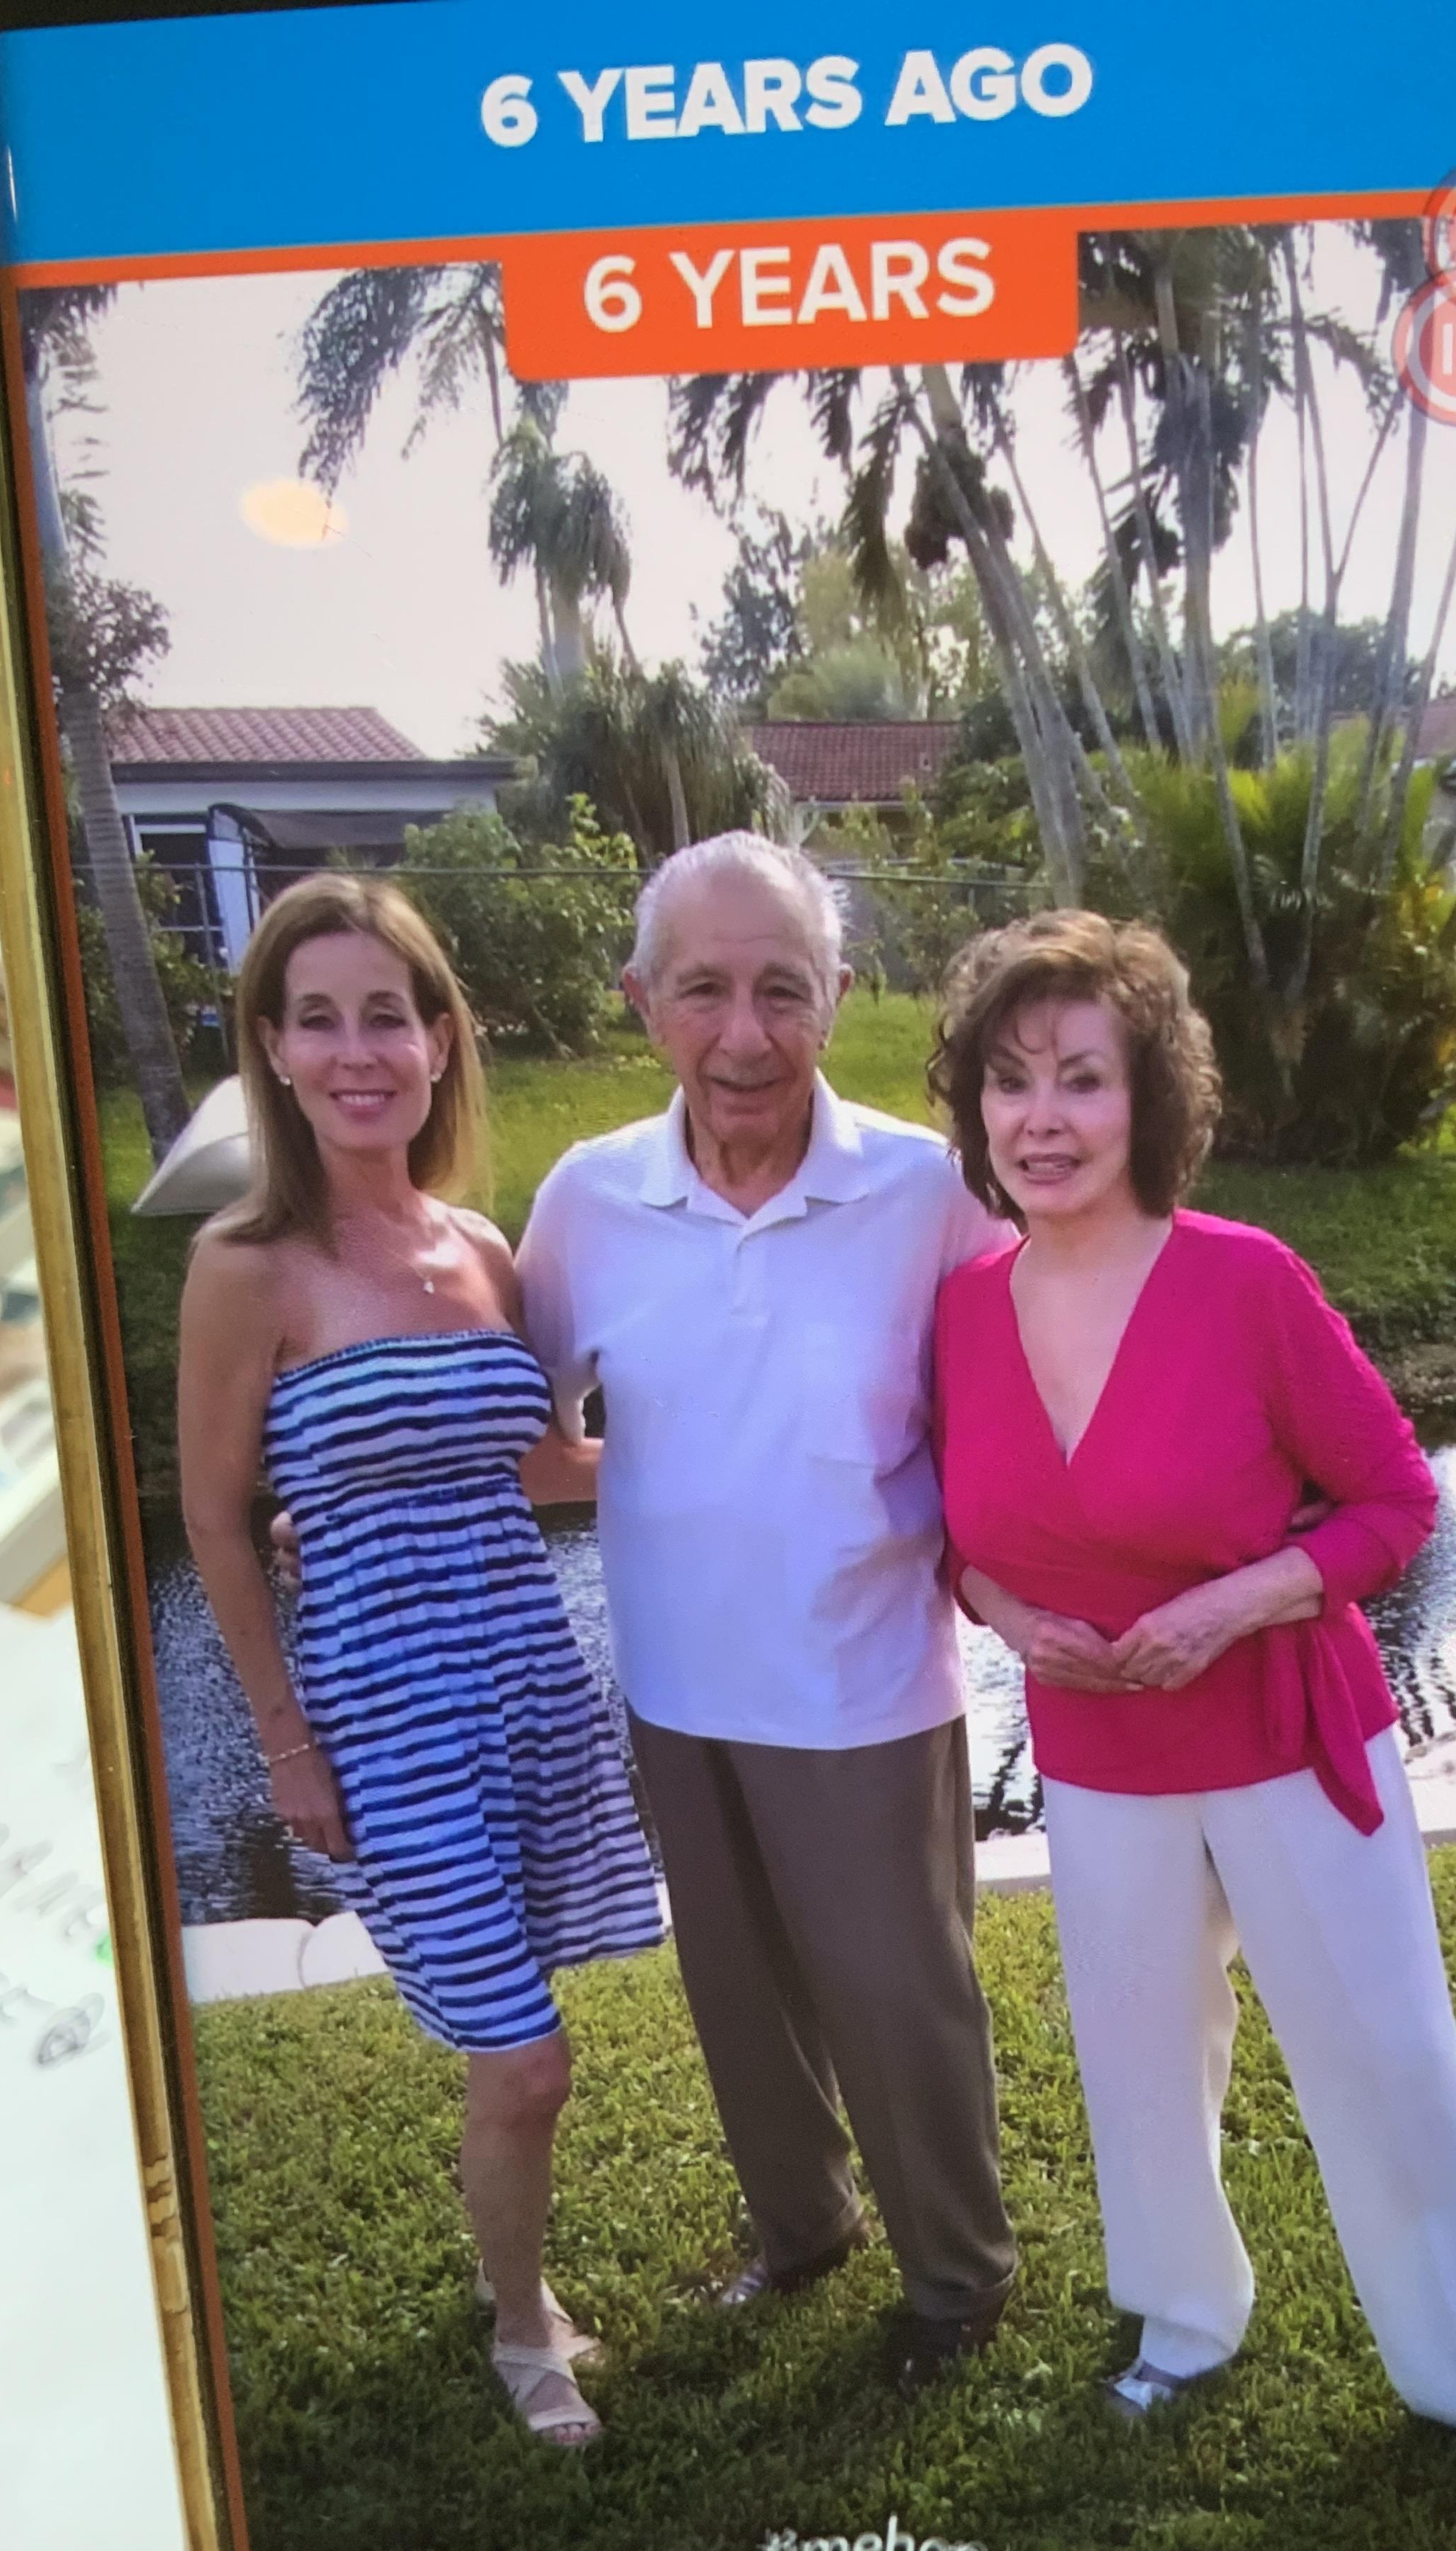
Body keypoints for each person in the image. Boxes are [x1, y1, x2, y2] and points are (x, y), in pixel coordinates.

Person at [929, 910, 1456, 2484]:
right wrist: (1007, 1612)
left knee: (1383, 2055)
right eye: (1010, 1081)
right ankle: (1184, 2321)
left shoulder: (1245, 1281)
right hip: (1097, 1751)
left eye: (1081, 1078)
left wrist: (1235, 1601)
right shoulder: (964, 1308)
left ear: (1149, 1098)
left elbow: (1397, 1500)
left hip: (1284, 1731)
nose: (1042, 1118)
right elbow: (957, 1536)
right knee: (1139, 2055)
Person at [517, 831, 1018, 2394]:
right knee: (737, 1998)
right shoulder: (590, 1198)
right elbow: (528, 1429)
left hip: (867, 1683)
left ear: (839, 996)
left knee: (899, 1993)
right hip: (675, 1680)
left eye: (783, 990)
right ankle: (803, 2228)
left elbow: (1016, 1412)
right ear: (641, 1002)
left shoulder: (930, 1193)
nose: (745, 1034)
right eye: (704, 991)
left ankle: (958, 2278)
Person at [178, 873, 664, 2453]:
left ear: (440, 1041)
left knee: (524, 2041)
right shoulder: (249, 1265)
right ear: (274, 1048)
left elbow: (536, 1463)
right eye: (318, 1020)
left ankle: (514, 2291)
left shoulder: (480, 1249)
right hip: (384, 1724)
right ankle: (525, 2331)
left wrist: (730, 1437)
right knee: (525, 2059)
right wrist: (284, 1741)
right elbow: (217, 1519)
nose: (357, 1050)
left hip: (527, 1686)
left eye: (386, 1015)